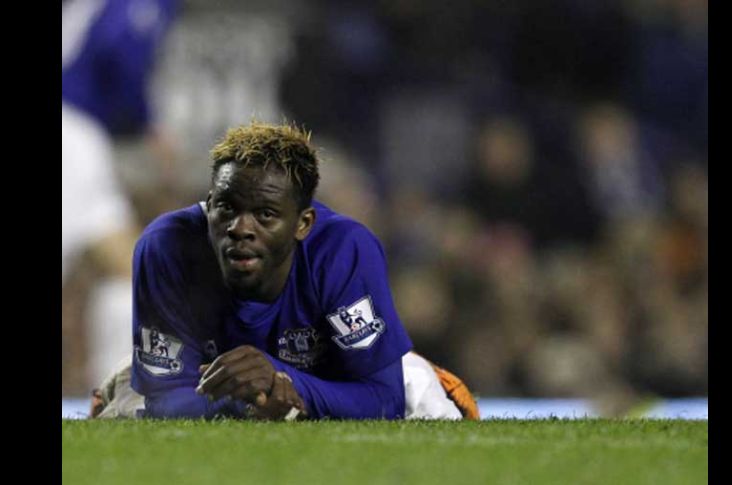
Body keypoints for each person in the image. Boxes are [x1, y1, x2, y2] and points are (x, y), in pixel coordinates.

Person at [91, 121, 479, 421]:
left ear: (303, 224)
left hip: (331, 371)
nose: (240, 228)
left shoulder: (342, 250)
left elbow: (384, 397)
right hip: (203, 380)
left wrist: (282, 380)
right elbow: (164, 395)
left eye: (265, 214)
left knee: (428, 402)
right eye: (226, 208)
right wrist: (252, 395)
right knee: (122, 410)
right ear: (209, 204)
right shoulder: (168, 246)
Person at [62, 0, 180, 388]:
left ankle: (118, 388)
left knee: (129, 274)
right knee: (132, 272)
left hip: (77, 128)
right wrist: (145, 121)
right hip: (71, 130)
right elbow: (121, 47)